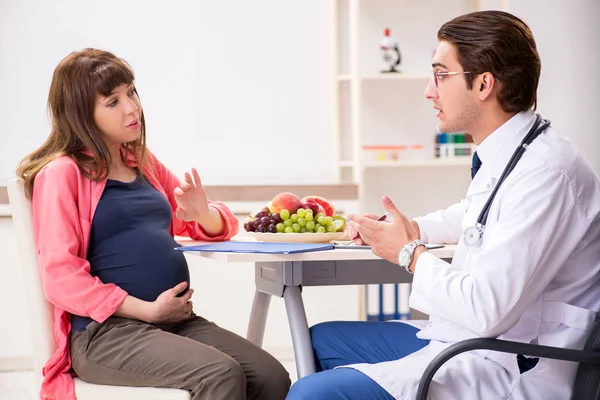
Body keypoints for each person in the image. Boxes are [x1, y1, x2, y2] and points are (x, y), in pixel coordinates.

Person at [286, 10, 600, 400]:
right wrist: (409, 230)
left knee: (312, 394)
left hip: (510, 365)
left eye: (441, 74)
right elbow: (475, 216)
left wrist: (409, 253)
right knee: (319, 341)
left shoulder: (547, 172)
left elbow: (488, 310)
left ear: (483, 83)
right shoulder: (514, 151)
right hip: (475, 344)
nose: (429, 91)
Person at [17, 48, 291, 400]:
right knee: (220, 374)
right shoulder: (63, 173)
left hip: (174, 323)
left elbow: (207, 226)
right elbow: (61, 276)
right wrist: (146, 310)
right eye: (112, 102)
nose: (132, 108)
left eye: (131, 92)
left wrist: (200, 213)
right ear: (82, 114)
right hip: (106, 334)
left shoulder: (141, 162)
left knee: (271, 376)